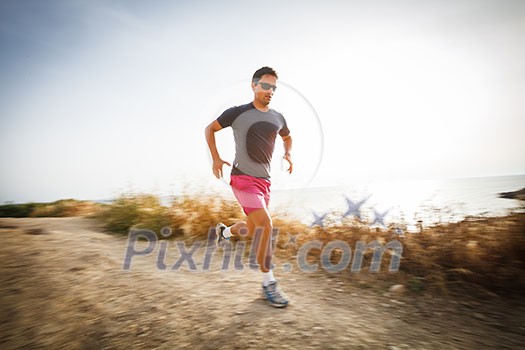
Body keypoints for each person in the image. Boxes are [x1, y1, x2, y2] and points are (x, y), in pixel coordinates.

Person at [204, 66, 293, 308]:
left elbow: (287, 136)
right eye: (265, 85)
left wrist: (288, 154)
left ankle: (225, 232)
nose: (270, 91)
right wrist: (215, 158)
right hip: (242, 179)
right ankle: (268, 283)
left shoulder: (278, 117)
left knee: (255, 226)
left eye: (273, 87)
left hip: (265, 182)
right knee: (265, 225)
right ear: (254, 85)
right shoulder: (237, 112)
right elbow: (209, 129)